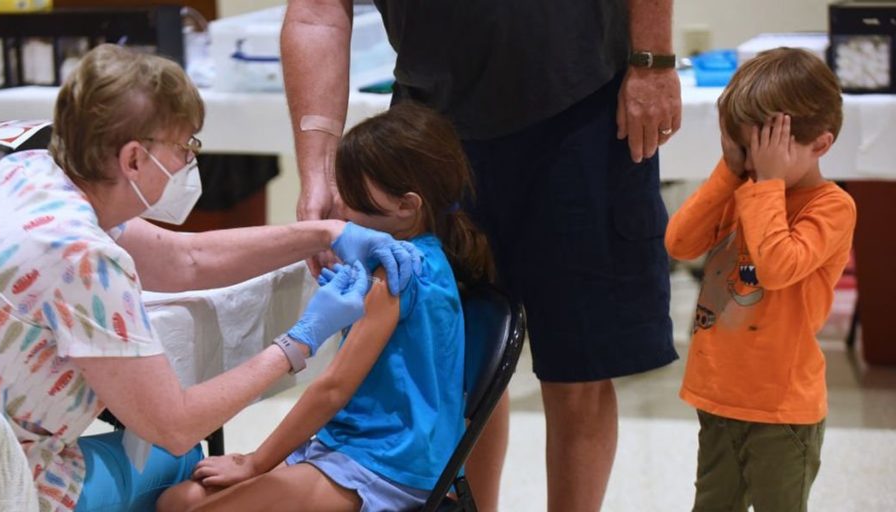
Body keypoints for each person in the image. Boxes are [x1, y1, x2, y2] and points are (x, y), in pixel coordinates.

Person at [0, 44, 422, 512]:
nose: (188, 162)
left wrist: (324, 233)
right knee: (181, 462)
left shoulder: (20, 174)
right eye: (185, 148)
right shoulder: (83, 258)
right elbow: (176, 425)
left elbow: (183, 260)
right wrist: (298, 342)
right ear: (134, 159)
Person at [281, 1, 681, 509]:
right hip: (430, 120)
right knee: (449, 363)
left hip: (580, 101)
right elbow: (316, 13)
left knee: (579, 364)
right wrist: (319, 173)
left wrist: (652, 62)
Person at [156, 103, 496, 512]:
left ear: (407, 206)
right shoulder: (411, 256)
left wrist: (255, 463)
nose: (342, 210)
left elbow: (333, 388)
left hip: (387, 465)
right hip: (347, 443)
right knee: (176, 501)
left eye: (353, 197)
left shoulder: (397, 272)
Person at [665, 48, 856, 511]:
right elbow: (680, 243)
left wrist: (766, 186)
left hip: (782, 410)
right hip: (719, 396)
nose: (752, 165)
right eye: (745, 150)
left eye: (765, 153)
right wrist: (729, 171)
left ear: (820, 145)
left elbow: (775, 266)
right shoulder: (743, 186)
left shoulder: (831, 207)